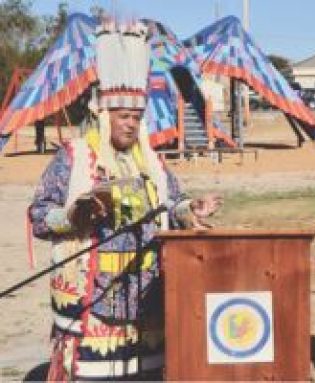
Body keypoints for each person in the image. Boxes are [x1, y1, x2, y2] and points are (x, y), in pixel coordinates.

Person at [29, 20, 221, 381]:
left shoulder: (153, 164)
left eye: (136, 117)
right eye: (122, 117)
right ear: (103, 116)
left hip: (146, 300)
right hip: (90, 304)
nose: (130, 125)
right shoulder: (72, 158)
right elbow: (38, 216)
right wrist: (74, 215)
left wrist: (188, 209)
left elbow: (172, 205)